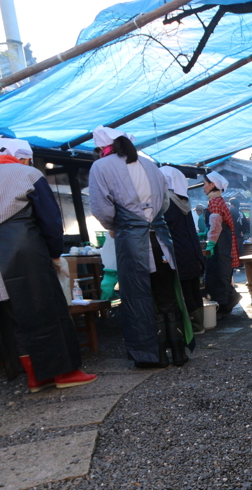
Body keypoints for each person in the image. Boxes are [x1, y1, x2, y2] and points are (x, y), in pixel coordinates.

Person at [0, 134, 97, 392]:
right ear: (24, 158)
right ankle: (65, 373)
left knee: (15, 316)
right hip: (25, 250)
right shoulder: (28, 175)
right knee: (47, 310)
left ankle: (36, 378)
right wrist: (55, 252)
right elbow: (50, 219)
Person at [87, 125, 193, 369]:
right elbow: (164, 203)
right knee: (166, 295)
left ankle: (152, 355)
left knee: (137, 297)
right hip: (161, 240)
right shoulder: (149, 164)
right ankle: (178, 352)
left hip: (132, 241)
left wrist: (117, 224)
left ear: (103, 147)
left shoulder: (100, 166)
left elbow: (100, 208)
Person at [159, 166, 206, 335]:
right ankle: (201, 324)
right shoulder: (184, 201)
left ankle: (194, 326)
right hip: (192, 250)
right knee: (194, 288)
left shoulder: (167, 201)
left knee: (186, 289)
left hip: (178, 251)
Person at [201, 171, 242, 318]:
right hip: (223, 242)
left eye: (205, 184)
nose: (203, 187)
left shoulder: (215, 201)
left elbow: (216, 226)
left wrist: (210, 242)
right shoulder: (219, 200)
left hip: (221, 244)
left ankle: (225, 305)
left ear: (212, 185)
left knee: (219, 275)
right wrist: (206, 233)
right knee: (219, 274)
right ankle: (226, 303)